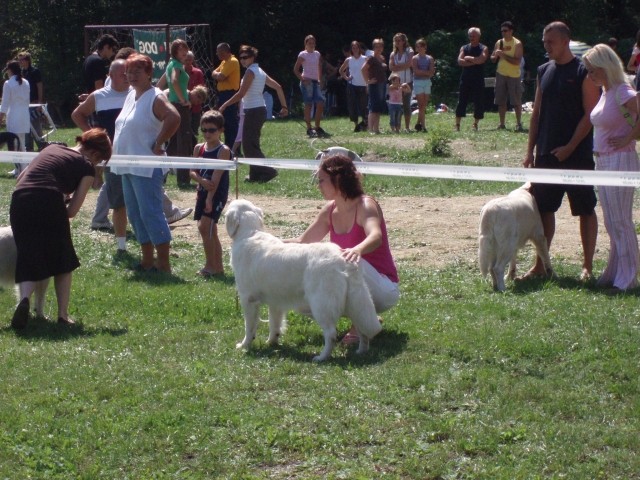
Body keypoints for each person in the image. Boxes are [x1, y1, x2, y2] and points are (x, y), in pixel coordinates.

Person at [286, 154, 399, 345]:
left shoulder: (365, 204)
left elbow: (375, 236)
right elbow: (302, 243)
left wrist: (357, 250)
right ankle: (366, 318)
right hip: (350, 274)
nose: (318, 186)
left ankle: (360, 326)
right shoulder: (329, 210)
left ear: (337, 179)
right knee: (300, 301)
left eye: (322, 180)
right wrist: (269, 245)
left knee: (343, 260)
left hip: (383, 288)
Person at [522, 21, 600, 282]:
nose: (547, 46)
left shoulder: (583, 72)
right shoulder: (543, 69)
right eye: (545, 42)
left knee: (585, 209)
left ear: (566, 41)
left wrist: (570, 147)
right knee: (544, 209)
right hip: (546, 153)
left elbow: (590, 114)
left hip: (576, 155)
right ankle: (541, 265)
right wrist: (530, 151)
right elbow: (536, 114)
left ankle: (587, 266)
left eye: (551, 42)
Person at [9, 129, 112, 329]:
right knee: (63, 259)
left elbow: (20, 178)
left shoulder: (52, 148)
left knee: (28, 254)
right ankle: (63, 315)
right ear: (96, 154)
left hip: (20, 199)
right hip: (48, 198)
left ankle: (24, 300)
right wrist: (57, 210)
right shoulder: (86, 167)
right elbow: (72, 211)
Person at [111, 54, 181, 273]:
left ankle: (164, 264)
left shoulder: (156, 97)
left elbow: (174, 117)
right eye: (129, 72)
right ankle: (147, 260)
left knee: (151, 213)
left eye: (136, 72)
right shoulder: (131, 95)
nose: (131, 76)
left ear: (149, 74)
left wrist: (159, 142)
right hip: (127, 166)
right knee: (134, 213)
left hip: (146, 167)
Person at [582, 44, 640, 292]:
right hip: (603, 160)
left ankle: (627, 278)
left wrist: (629, 138)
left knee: (621, 221)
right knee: (611, 220)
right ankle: (616, 272)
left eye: (593, 70)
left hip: (620, 160)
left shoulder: (623, 90)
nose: (590, 76)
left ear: (606, 67)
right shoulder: (606, 91)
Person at [71, 59, 130, 252]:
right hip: (111, 157)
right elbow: (77, 114)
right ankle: (121, 246)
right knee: (118, 203)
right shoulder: (99, 96)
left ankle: (148, 241)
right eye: (122, 74)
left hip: (136, 154)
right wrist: (93, 137)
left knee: (140, 201)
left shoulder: (137, 94)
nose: (126, 77)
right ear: (111, 76)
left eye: (128, 73)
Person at [219, 45, 288, 183]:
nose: (243, 60)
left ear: (252, 57)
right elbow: (278, 87)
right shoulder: (259, 70)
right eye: (241, 58)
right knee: (251, 144)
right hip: (258, 110)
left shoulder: (251, 72)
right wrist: (284, 107)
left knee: (249, 145)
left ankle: (269, 170)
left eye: (246, 57)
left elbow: (241, 93)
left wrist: (225, 105)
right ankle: (255, 175)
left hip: (254, 111)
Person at [189, 110, 232, 277]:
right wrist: (201, 182)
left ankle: (210, 266)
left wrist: (209, 198)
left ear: (221, 130)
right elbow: (192, 171)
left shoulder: (223, 150)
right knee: (209, 230)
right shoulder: (198, 148)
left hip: (216, 193)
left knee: (205, 227)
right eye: (204, 130)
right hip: (202, 190)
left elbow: (216, 178)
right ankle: (218, 267)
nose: (207, 134)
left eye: (212, 130)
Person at [165, 39, 192, 186]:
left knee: (173, 143)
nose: (184, 52)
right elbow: (174, 81)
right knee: (184, 142)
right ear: (175, 51)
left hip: (172, 104)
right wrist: (183, 100)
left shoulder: (171, 64)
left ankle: (161, 172)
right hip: (180, 106)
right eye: (181, 49)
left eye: (185, 49)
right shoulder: (176, 65)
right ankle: (183, 179)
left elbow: (166, 81)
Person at [490, 21, 524, 131]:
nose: (503, 33)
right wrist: (494, 57)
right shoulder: (499, 42)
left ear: (511, 31)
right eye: (502, 31)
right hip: (501, 74)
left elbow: (517, 61)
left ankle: (519, 124)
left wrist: (503, 55)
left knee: (516, 101)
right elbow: (493, 58)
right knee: (501, 100)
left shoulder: (517, 44)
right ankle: (502, 123)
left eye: (505, 31)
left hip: (514, 75)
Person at [455, 27, 489, 131]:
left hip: (478, 79)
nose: (471, 38)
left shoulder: (484, 48)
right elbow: (460, 61)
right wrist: (475, 61)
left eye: (473, 36)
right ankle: (457, 125)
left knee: (478, 102)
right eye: (470, 36)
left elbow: (481, 60)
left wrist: (469, 59)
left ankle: (475, 124)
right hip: (465, 79)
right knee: (462, 101)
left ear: (479, 36)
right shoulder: (464, 48)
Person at [293, 35, 328, 138]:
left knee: (320, 102)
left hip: (315, 82)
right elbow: (296, 69)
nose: (312, 45)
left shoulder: (317, 54)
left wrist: (320, 79)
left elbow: (319, 66)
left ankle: (317, 126)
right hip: (306, 82)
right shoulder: (303, 54)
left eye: (313, 43)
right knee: (308, 104)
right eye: (309, 43)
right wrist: (303, 79)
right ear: (306, 44)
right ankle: (309, 128)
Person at [0, 61, 31, 177]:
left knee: (15, 145)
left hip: (13, 116)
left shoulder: (8, 83)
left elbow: (5, 103)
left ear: (10, 70)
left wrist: (0, 117)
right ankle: (20, 169)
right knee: (21, 143)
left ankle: (21, 170)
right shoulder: (26, 82)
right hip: (24, 115)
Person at [212, 43, 240, 149]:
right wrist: (216, 75)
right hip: (222, 94)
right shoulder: (224, 62)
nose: (217, 55)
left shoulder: (232, 61)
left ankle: (233, 147)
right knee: (223, 120)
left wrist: (217, 75)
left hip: (229, 94)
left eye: (219, 53)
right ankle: (227, 145)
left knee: (230, 121)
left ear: (225, 52)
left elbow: (221, 77)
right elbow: (213, 73)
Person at [17, 51, 44, 152]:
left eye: (22, 60)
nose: (20, 62)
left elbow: (39, 86)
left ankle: (42, 146)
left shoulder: (35, 71)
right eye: (19, 60)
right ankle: (29, 148)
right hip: (25, 104)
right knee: (26, 127)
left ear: (27, 60)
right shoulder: (21, 73)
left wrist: (40, 102)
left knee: (35, 125)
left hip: (34, 102)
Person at [361, 38, 388, 134]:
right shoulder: (371, 58)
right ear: (373, 48)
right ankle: (370, 129)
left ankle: (376, 129)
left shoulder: (382, 58)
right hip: (374, 85)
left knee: (378, 107)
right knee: (372, 107)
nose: (379, 48)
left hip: (382, 84)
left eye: (380, 46)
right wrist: (367, 81)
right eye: (377, 47)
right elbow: (363, 69)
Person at [389, 33, 414, 132]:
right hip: (396, 83)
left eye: (399, 40)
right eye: (396, 41)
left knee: (407, 104)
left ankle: (407, 127)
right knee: (396, 104)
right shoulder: (393, 54)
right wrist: (402, 66)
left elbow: (409, 64)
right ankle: (397, 127)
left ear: (404, 41)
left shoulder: (409, 51)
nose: (397, 42)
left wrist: (397, 67)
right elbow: (391, 67)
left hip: (407, 81)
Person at [411, 38, 435, 132]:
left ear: (425, 47)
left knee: (424, 105)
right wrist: (427, 72)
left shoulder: (430, 58)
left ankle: (418, 123)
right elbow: (416, 71)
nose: (419, 48)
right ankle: (424, 126)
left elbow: (432, 72)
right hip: (418, 82)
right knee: (421, 105)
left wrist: (424, 72)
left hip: (427, 82)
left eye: (421, 46)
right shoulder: (415, 58)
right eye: (417, 46)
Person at [184, 51, 206, 148]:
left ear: (193, 60)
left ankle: (193, 149)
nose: (188, 62)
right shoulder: (179, 71)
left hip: (195, 107)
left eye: (190, 60)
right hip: (184, 103)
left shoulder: (198, 72)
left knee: (193, 130)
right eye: (186, 60)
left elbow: (201, 89)